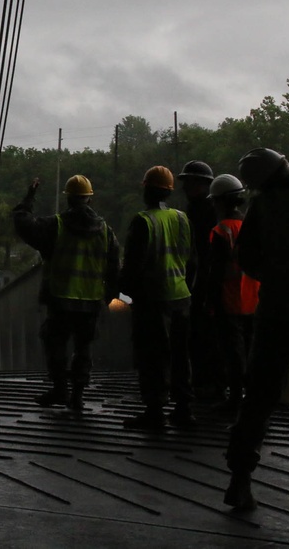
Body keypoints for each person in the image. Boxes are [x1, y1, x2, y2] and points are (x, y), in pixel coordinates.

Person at [225, 148, 289, 511]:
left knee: (258, 398)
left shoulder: (262, 208)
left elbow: (247, 260)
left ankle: (240, 479)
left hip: (274, 313)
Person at [12, 175, 120, 412]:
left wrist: (28, 198)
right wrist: (109, 296)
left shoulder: (56, 226)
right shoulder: (105, 231)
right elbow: (114, 267)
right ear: (89, 199)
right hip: (91, 301)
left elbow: (23, 222)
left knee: (55, 343)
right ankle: (78, 395)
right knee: (84, 347)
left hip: (61, 299)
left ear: (69, 199)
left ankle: (61, 389)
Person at [119, 166, 195, 430]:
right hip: (182, 297)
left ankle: (155, 411)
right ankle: (184, 409)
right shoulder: (182, 218)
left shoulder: (143, 221)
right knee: (180, 355)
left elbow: (132, 266)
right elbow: (190, 258)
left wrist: (123, 290)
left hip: (154, 299)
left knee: (154, 356)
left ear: (147, 189)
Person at [205, 174, 258, 413]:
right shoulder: (251, 226)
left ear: (221, 202)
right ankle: (250, 396)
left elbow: (215, 272)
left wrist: (210, 302)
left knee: (232, 353)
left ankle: (235, 398)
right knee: (249, 350)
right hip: (253, 301)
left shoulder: (221, 231)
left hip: (229, 301)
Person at [178, 160, 220, 400]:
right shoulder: (198, 210)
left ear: (203, 185)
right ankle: (206, 382)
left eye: (190, 183)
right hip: (197, 283)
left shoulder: (204, 212)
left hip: (203, 283)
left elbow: (204, 254)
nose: (185, 188)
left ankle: (207, 383)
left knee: (204, 336)